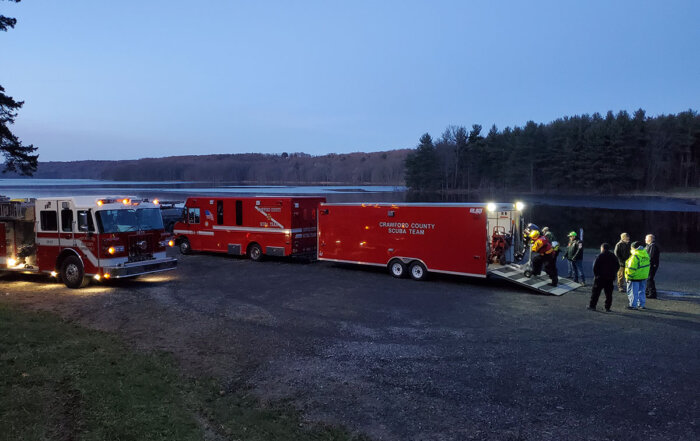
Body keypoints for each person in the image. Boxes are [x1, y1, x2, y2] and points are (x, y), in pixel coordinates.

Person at [588, 243, 619, 312]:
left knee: (595, 293)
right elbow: (617, 266)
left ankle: (592, 306)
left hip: (600, 278)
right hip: (610, 278)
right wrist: (613, 274)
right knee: (609, 294)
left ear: (602, 248)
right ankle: (607, 307)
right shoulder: (613, 256)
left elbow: (595, 267)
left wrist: (596, 275)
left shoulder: (600, 255)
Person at [625, 241, 651, 310]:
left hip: (634, 277)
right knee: (642, 291)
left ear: (633, 248)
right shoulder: (645, 254)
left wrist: (628, 277)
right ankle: (641, 304)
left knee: (633, 292)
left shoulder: (635, 256)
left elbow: (631, 268)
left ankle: (633, 305)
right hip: (643, 276)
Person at [645, 234, 660, 299]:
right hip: (650, 265)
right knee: (649, 279)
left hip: (651, 266)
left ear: (649, 239)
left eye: (646, 238)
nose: (645, 239)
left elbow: (651, 257)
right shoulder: (649, 246)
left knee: (650, 279)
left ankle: (651, 293)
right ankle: (648, 292)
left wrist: (649, 264)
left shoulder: (652, 246)